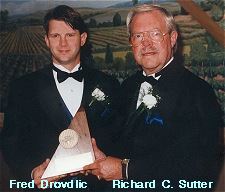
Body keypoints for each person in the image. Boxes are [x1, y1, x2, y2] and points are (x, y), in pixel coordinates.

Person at [84, 4, 224, 191]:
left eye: (155, 34)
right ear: (131, 43)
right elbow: (124, 143)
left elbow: (200, 168)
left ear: (173, 38)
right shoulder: (127, 86)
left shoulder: (198, 92)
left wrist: (126, 171)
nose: (146, 43)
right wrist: (103, 155)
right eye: (138, 36)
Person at [0, 5, 120, 191]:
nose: (63, 43)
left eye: (70, 35)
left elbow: (119, 137)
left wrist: (108, 160)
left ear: (82, 38)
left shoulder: (109, 85)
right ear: (47, 40)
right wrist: (31, 173)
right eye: (56, 36)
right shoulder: (22, 87)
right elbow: (10, 143)